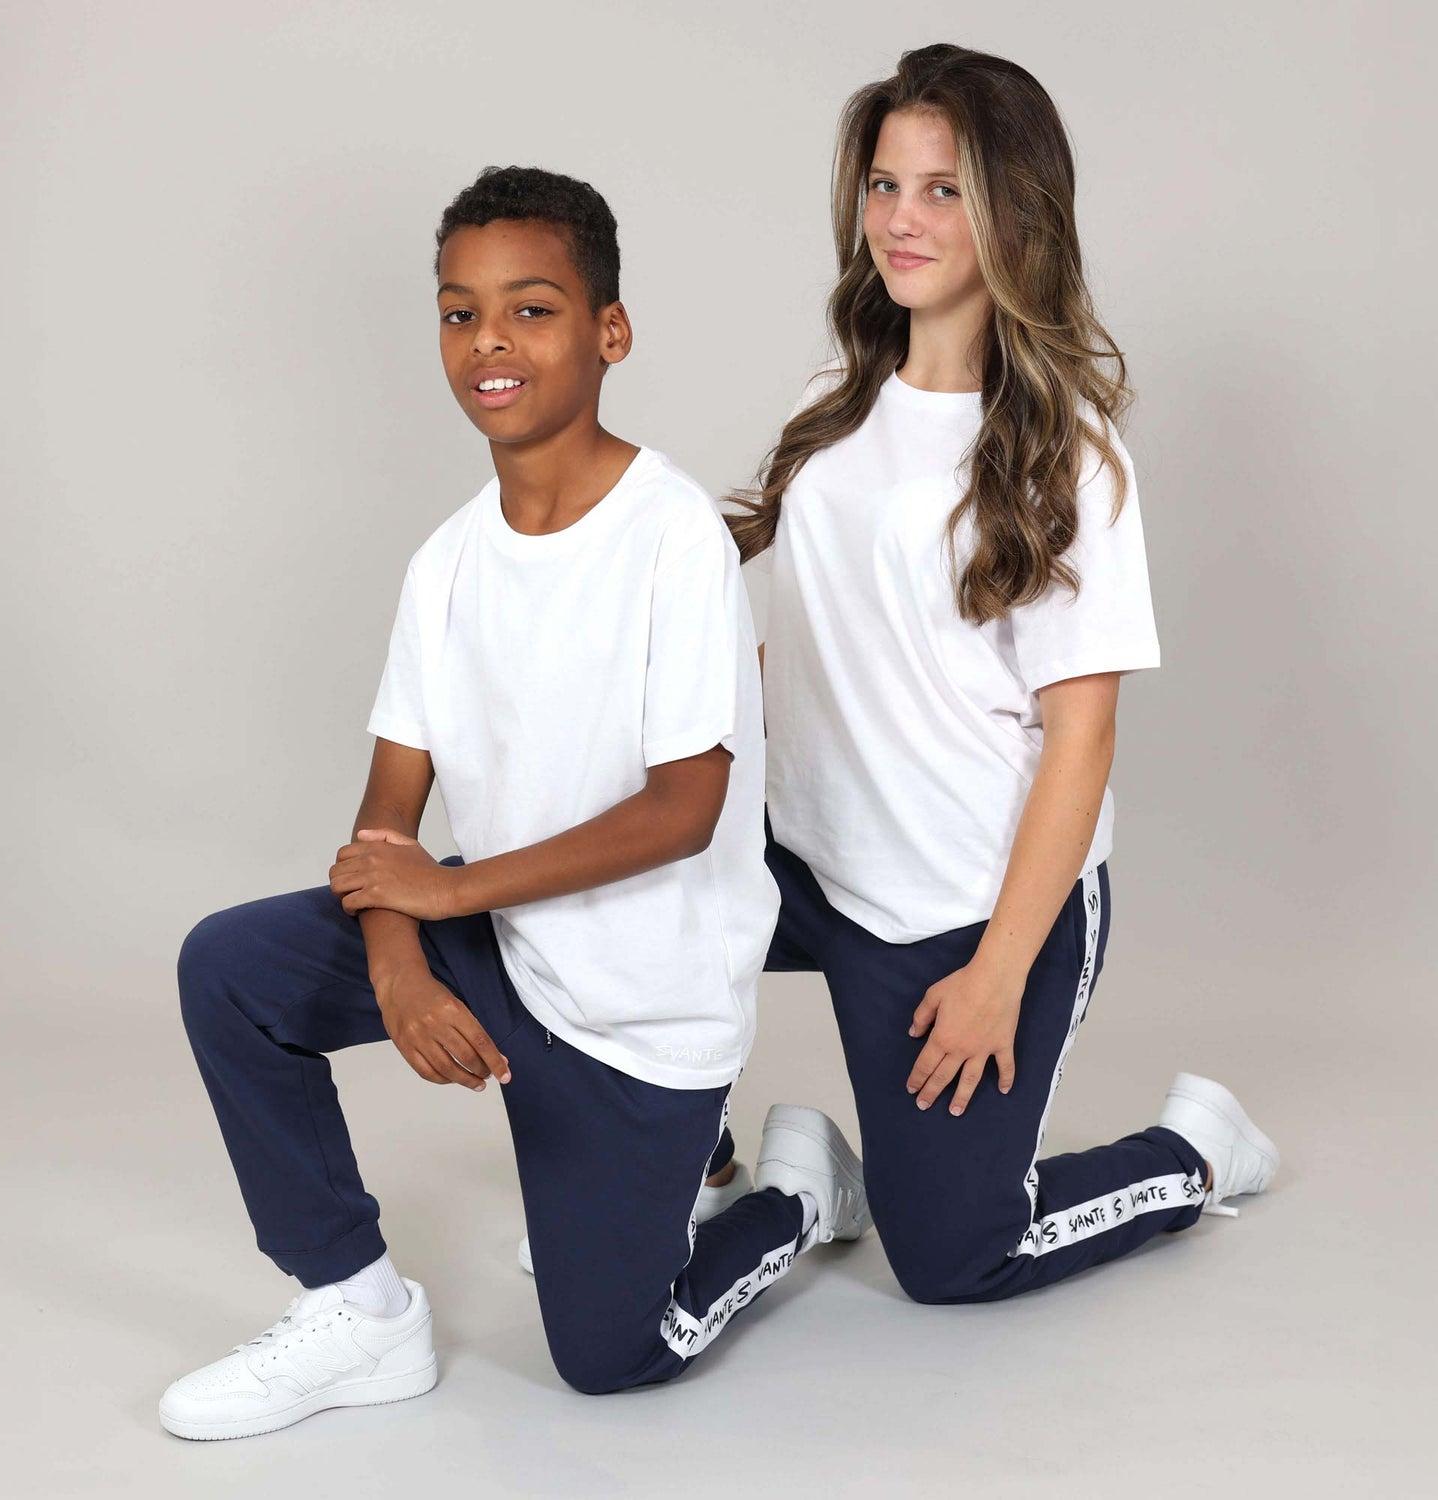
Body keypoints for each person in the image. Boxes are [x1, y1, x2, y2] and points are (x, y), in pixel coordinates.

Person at [159, 164, 869, 1440]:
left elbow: (685, 810)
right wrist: (399, 965)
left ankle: (795, 1196)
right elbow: (388, 815)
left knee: (611, 1354)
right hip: (499, 957)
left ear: (609, 333)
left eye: (531, 310)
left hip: (640, 1013)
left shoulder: (672, 541)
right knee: (231, 968)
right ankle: (361, 1311)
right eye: (458, 311)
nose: (489, 341)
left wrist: (448, 894)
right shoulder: (446, 565)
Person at [725, 43, 1280, 1304]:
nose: (900, 221)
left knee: (954, 1257)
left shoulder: (1064, 458)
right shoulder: (835, 400)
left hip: (964, 903)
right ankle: (686, 1177)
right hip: (809, 857)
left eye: (943, 190)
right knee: (594, 905)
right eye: (884, 184)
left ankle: (1195, 1150)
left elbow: (1082, 740)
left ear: (1012, 211)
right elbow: (808, 643)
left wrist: (997, 976)